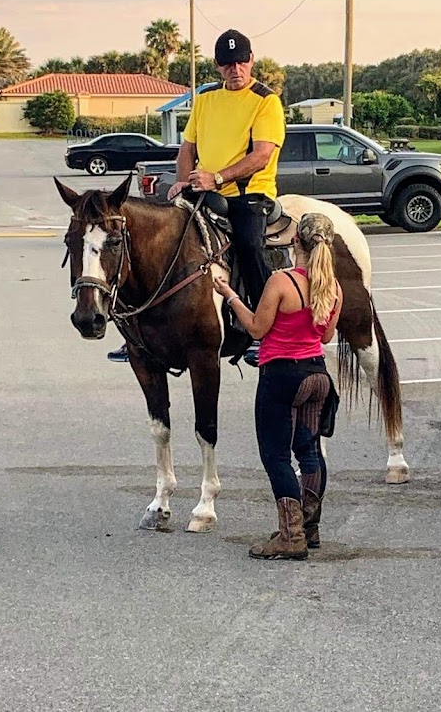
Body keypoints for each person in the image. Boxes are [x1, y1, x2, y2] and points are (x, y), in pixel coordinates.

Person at [108, 28, 285, 363]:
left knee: (248, 246)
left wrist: (217, 177)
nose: (235, 69)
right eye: (227, 63)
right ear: (218, 66)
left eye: (240, 61)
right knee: (158, 240)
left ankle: (264, 331)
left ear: (251, 61)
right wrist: (182, 180)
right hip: (204, 189)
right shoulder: (205, 99)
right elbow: (187, 148)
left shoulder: (266, 101)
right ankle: (138, 329)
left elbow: (262, 155)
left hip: (249, 195)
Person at [214, 213, 342, 560]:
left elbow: (257, 328)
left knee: (276, 456)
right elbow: (326, 335)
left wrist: (230, 295)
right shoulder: (333, 287)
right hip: (318, 375)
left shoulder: (282, 282)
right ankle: (308, 526)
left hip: (282, 375)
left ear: (295, 242)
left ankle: (290, 536)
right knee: (310, 452)